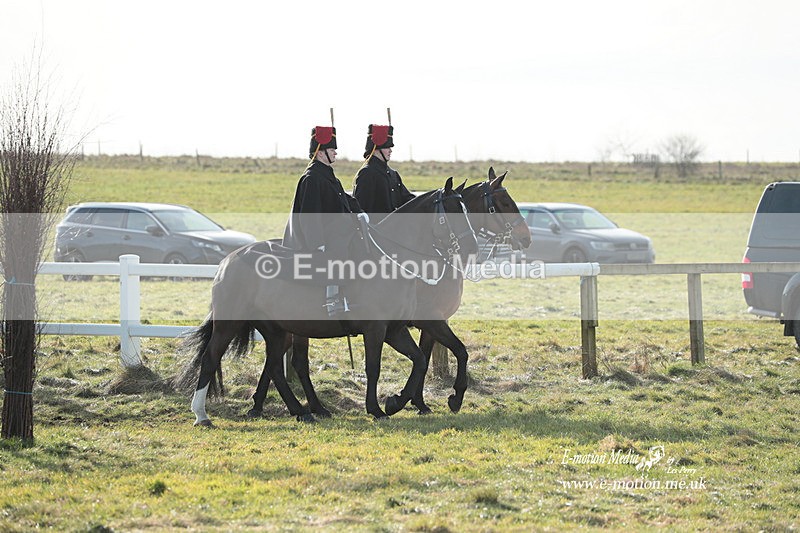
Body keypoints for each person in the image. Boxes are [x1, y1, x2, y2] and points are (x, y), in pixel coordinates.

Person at [283, 125, 366, 316]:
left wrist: (360, 212)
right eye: (331, 149)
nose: (335, 152)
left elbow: (344, 200)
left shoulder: (328, 176)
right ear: (320, 152)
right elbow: (309, 216)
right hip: (317, 240)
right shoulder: (312, 178)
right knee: (336, 255)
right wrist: (317, 243)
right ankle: (333, 299)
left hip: (335, 233)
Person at [352, 124, 415, 222]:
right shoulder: (367, 174)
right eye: (387, 147)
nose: (390, 151)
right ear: (376, 149)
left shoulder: (393, 174)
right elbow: (362, 209)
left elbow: (409, 200)